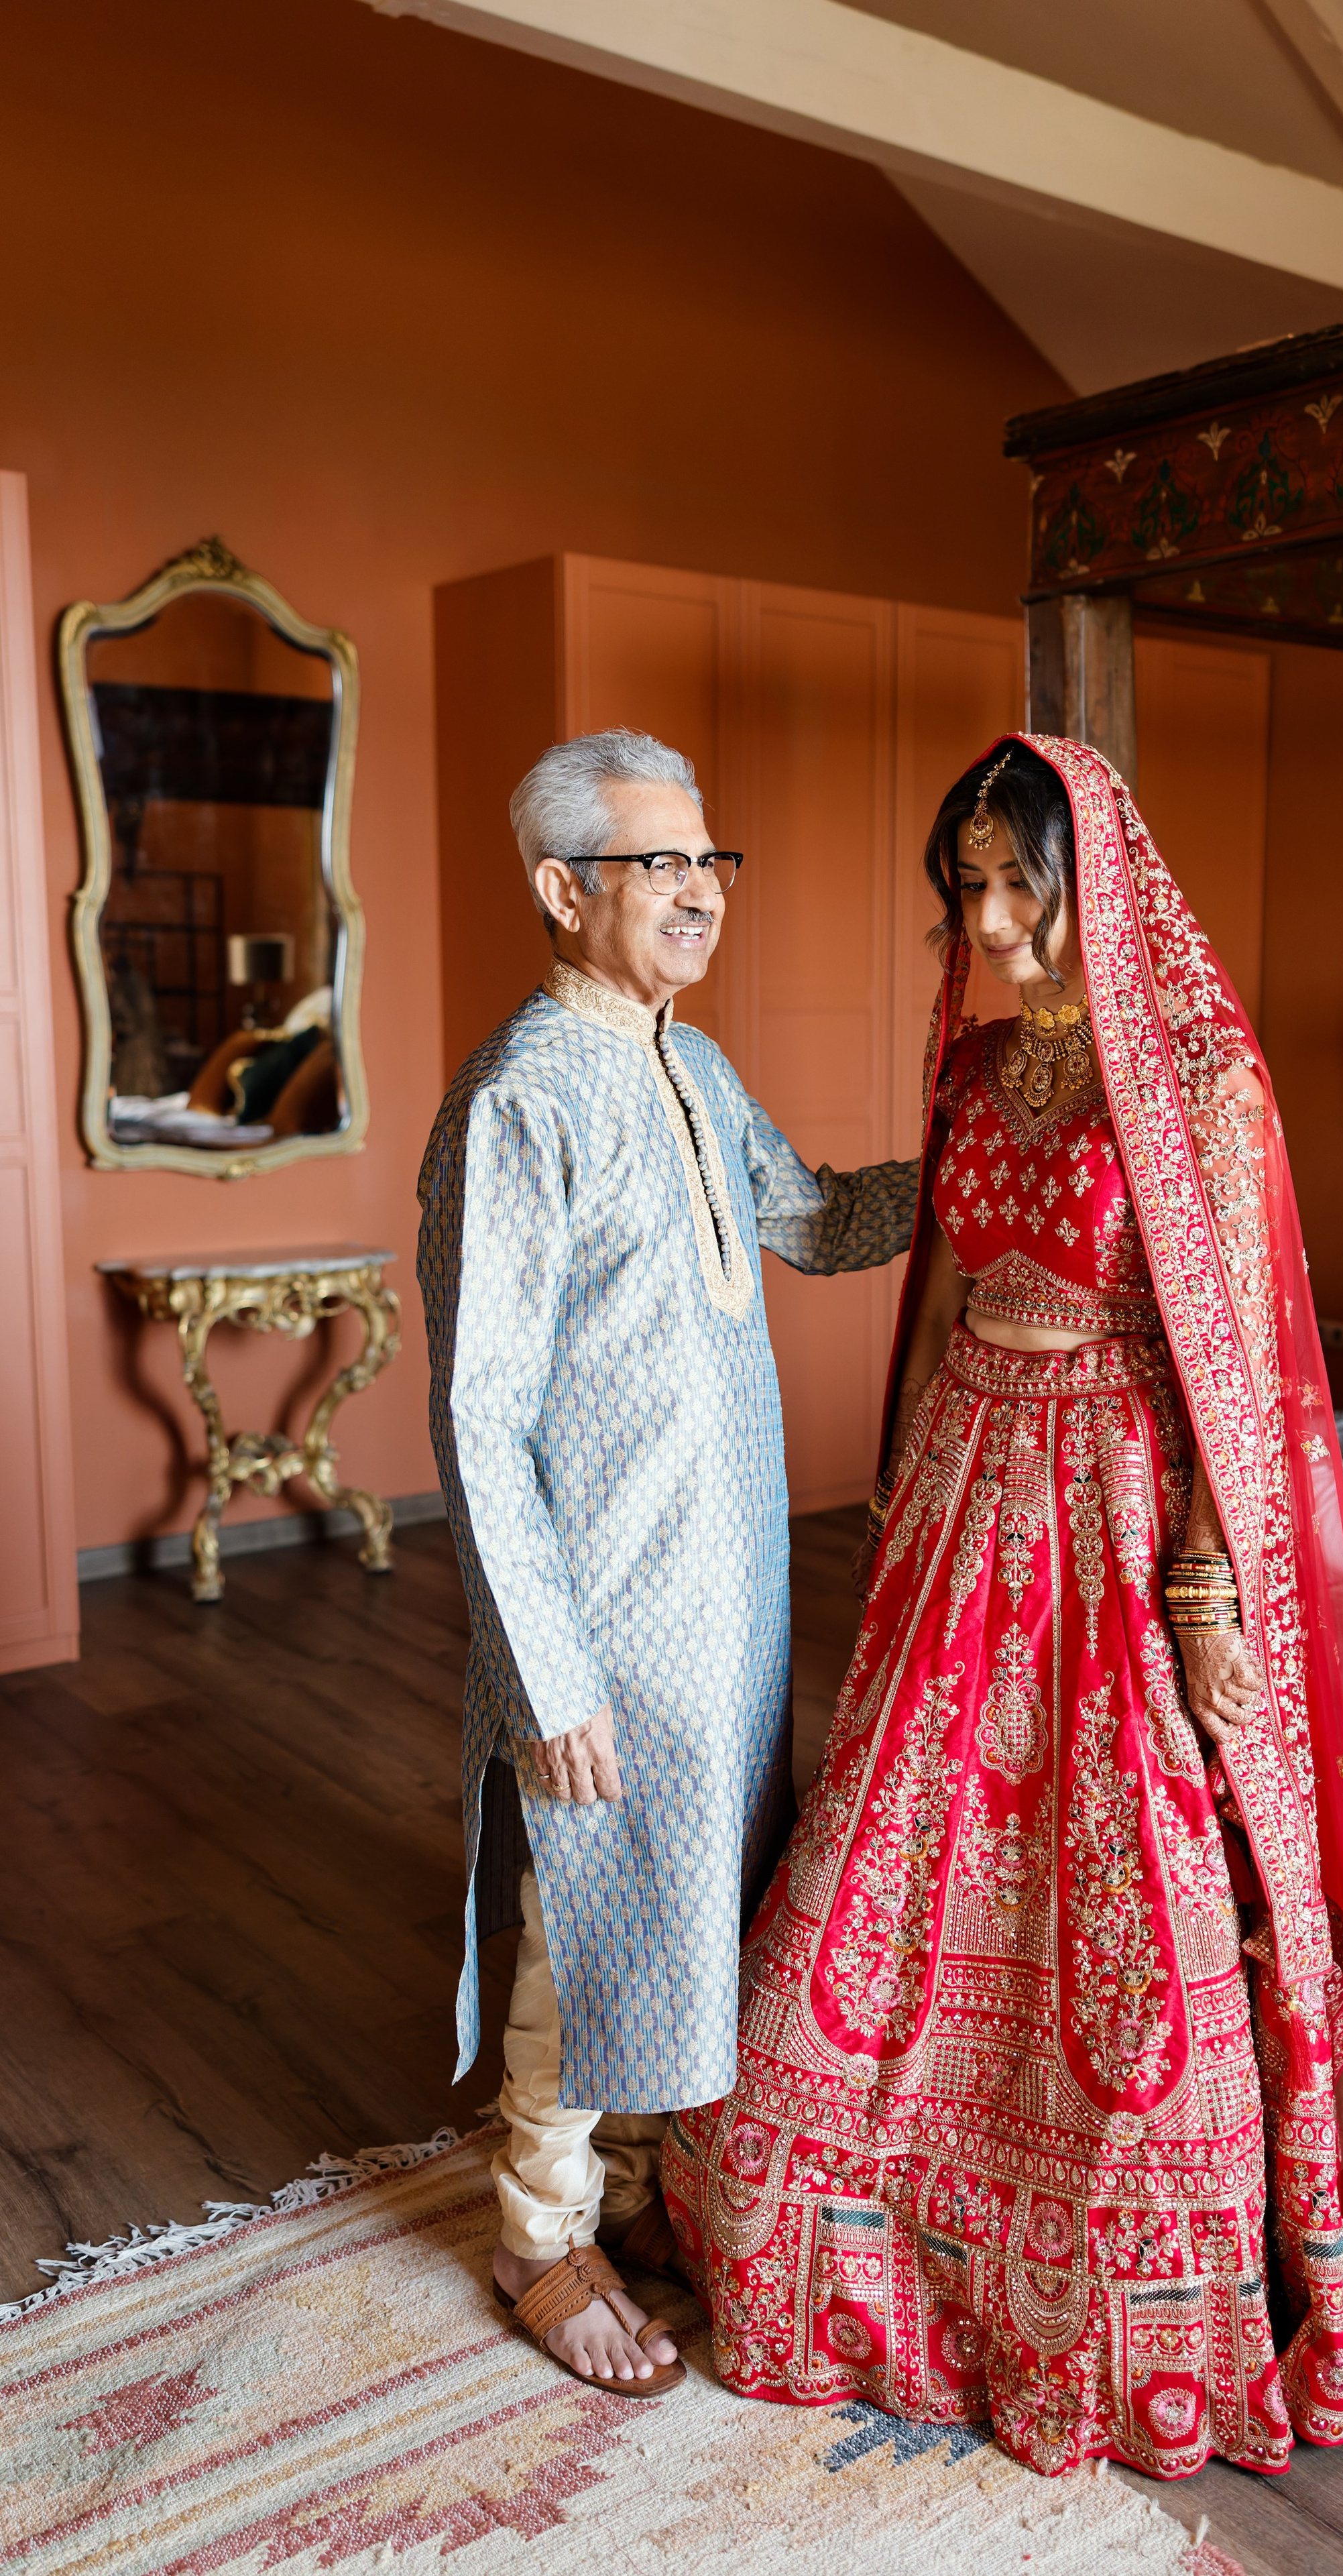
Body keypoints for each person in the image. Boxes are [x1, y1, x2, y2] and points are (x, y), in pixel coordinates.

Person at [664, 734, 1343, 2478]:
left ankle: (1129, 2283)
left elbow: (1233, 1357)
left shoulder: (1193, 1076)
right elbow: (947, 1287)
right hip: (965, 1492)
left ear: (1090, 878)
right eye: (967, 887)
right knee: (873, 1865)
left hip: (1112, 1499)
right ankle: (847, 2228)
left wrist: (1204, 1572)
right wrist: (897, 1507)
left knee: (1127, 1873)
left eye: (1018, 883)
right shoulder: (969, 1071)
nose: (992, 917)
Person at [417, 728, 917, 2398]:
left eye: (712, 860)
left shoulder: (692, 1070)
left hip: (729, 1594)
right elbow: (478, 1420)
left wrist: (992, 1153)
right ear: (563, 890)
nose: (700, 890)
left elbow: (818, 1218)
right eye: (658, 864)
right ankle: (537, 2233)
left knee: (699, 1893)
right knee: (588, 1912)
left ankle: (631, 2188)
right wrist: (544, 1671)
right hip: (604, 1613)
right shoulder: (518, 1099)